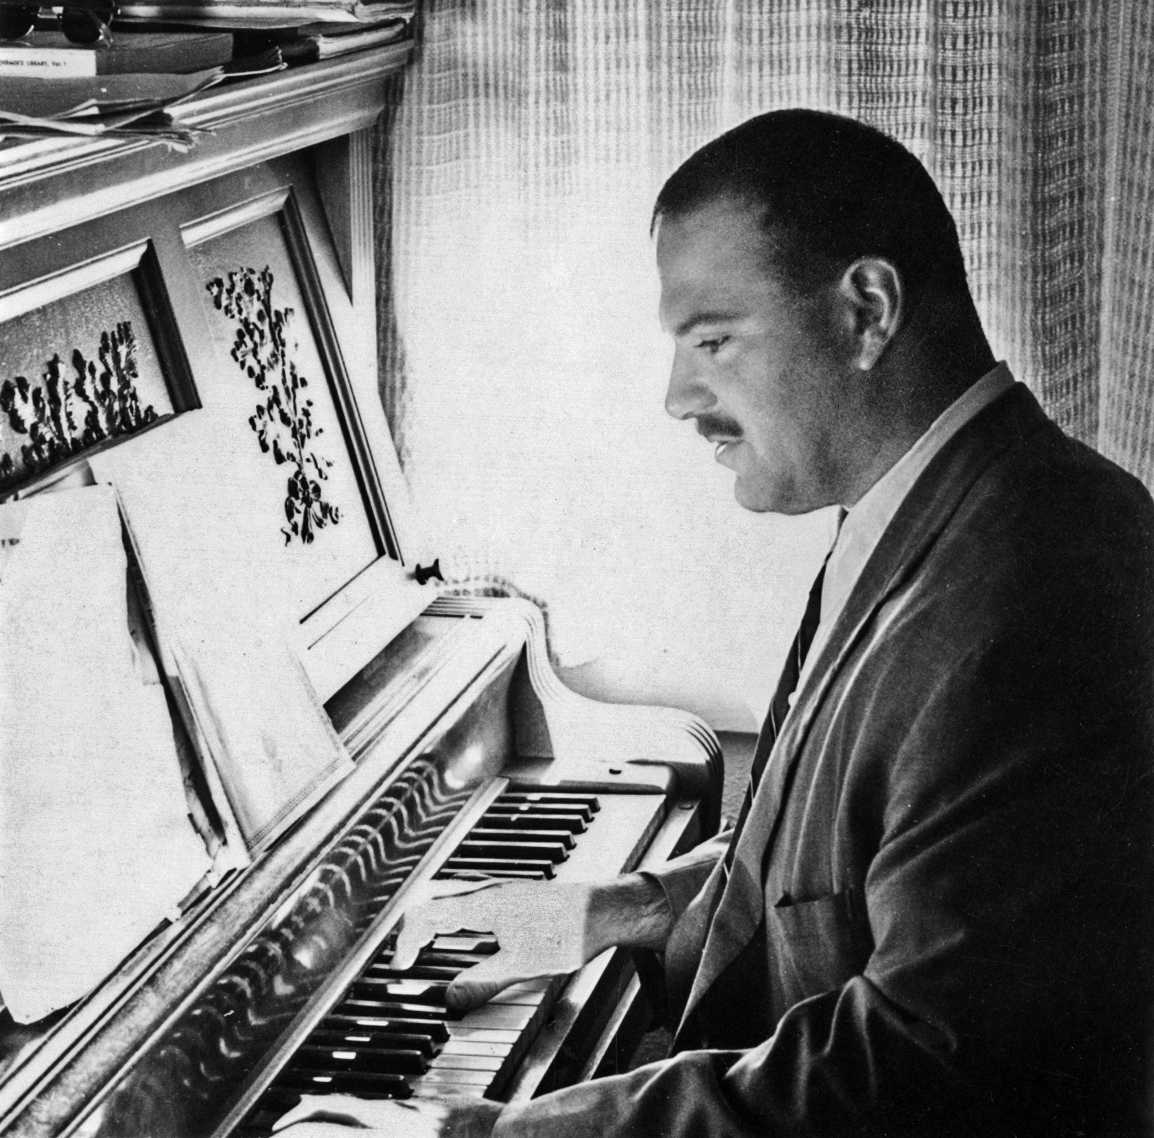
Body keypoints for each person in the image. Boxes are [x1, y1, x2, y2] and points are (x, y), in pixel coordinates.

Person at [275, 110, 1154, 1138]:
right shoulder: (946, 502)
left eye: (713, 338)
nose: (677, 395)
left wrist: (472, 1136)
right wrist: (608, 908)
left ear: (864, 310)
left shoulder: (1025, 598)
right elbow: (842, 856)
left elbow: (915, 1070)